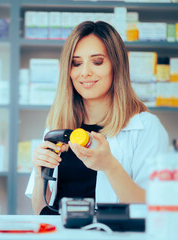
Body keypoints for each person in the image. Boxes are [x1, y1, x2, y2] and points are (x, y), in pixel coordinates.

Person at [25, 21, 169, 215]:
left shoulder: (145, 127)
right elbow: (41, 212)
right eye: (76, 63)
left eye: (97, 61)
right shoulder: (57, 127)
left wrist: (109, 166)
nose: (85, 72)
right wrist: (39, 174)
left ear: (116, 65)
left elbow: (152, 208)